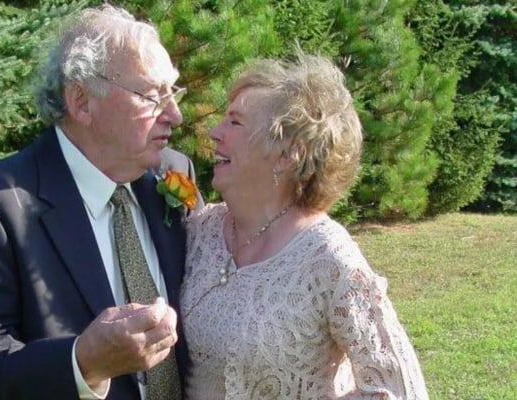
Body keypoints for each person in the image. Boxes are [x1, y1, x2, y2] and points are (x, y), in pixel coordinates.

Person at [0, 5, 202, 400]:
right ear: (82, 102)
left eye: (173, 92)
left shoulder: (172, 174)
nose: (175, 115)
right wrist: (82, 363)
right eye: (152, 95)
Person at [180, 53, 429, 399]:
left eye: (235, 123)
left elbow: (400, 389)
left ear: (288, 154)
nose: (214, 133)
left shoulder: (328, 258)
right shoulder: (201, 231)